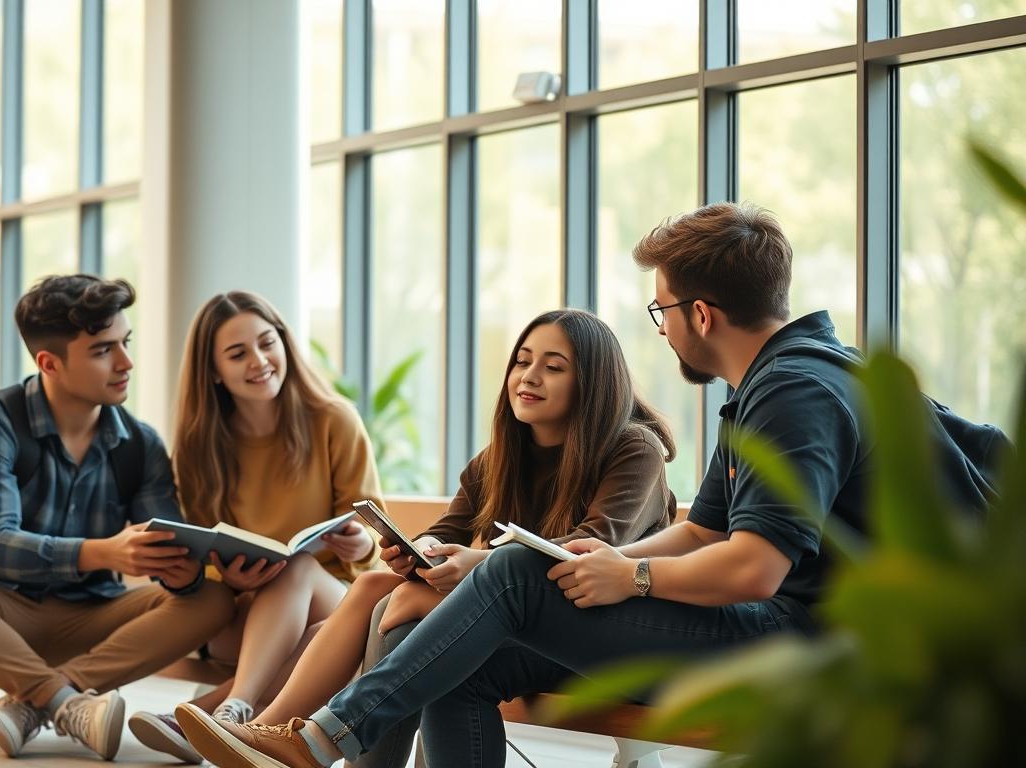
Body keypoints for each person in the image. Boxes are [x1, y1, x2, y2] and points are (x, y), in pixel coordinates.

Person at [174, 202, 888, 768]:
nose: (664, 330)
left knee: (509, 574)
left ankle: (324, 737)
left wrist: (633, 574)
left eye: (662, 311)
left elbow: (757, 568)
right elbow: (702, 532)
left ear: (700, 315)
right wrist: (595, 566)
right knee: (460, 655)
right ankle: (305, 735)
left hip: (791, 645)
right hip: (750, 627)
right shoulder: (767, 390)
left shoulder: (792, 393)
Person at [198, 308, 677, 765]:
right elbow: (446, 530)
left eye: (553, 367)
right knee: (377, 591)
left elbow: (584, 552)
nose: (528, 377)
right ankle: (274, 735)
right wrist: (419, 552)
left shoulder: (633, 449)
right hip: (516, 623)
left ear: (593, 383)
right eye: (521, 362)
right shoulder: (502, 457)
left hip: (595, 634)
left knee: (390, 608)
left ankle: (280, 740)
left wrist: (475, 565)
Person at [0, 274, 235, 761]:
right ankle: (67, 704)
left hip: (90, 620)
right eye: (104, 350)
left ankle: (43, 703)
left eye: (125, 342)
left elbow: (170, 551)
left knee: (211, 599)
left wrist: (182, 573)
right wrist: (105, 552)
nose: (126, 362)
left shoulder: (139, 444)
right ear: (49, 363)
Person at [127, 290, 384, 764]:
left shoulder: (334, 421)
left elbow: (376, 536)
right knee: (317, 631)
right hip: (246, 614)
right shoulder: (199, 446)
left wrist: (359, 543)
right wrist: (227, 577)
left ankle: (222, 709)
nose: (259, 361)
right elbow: (198, 551)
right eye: (237, 353)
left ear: (285, 343)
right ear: (213, 371)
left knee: (299, 571)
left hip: (338, 598)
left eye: (268, 343)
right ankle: (233, 721)